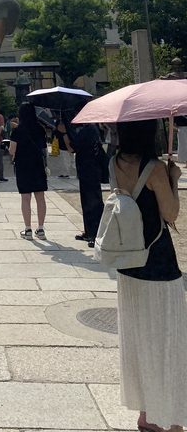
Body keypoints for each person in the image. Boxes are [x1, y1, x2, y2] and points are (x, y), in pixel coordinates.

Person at [113, 119, 186, 432]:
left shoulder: (114, 162)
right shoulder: (155, 168)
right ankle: (163, 416)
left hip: (128, 259)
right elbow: (170, 214)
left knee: (140, 339)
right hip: (157, 262)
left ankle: (146, 411)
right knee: (166, 339)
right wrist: (173, 180)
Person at [58, 120, 104, 247]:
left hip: (89, 169)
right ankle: (90, 231)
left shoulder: (87, 130)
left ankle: (94, 234)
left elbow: (71, 148)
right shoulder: (91, 128)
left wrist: (65, 133)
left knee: (92, 202)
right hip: (89, 169)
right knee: (88, 201)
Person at [9, 102, 48, 240]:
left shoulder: (17, 131)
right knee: (40, 197)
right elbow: (44, 148)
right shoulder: (40, 129)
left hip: (23, 165)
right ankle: (41, 228)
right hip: (38, 165)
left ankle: (28, 229)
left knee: (25, 197)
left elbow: (12, 150)